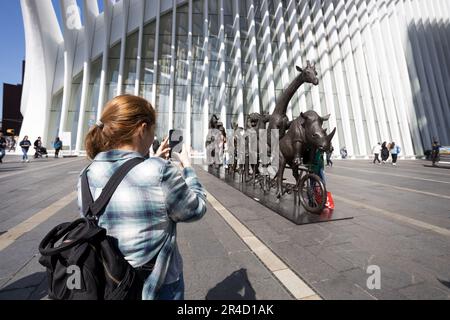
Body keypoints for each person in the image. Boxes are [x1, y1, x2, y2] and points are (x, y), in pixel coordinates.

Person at [80, 94, 207, 300]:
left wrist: (152, 160)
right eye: (153, 129)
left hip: (108, 281)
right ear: (142, 128)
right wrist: (187, 167)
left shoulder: (86, 173)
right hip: (157, 283)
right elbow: (195, 209)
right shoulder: (160, 170)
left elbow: (123, 183)